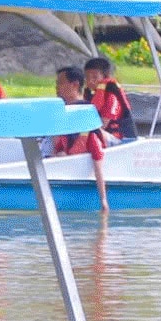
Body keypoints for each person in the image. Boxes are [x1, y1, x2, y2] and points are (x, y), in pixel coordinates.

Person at [51, 67, 111, 212]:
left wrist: (103, 200)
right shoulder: (59, 115)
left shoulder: (87, 125)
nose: (56, 87)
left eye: (60, 83)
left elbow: (98, 163)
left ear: (75, 85)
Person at [83, 54, 134, 142]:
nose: (90, 81)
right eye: (87, 77)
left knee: (87, 135)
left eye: (95, 77)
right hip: (101, 136)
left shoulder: (112, 97)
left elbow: (102, 125)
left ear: (105, 77)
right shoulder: (90, 95)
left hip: (118, 140)